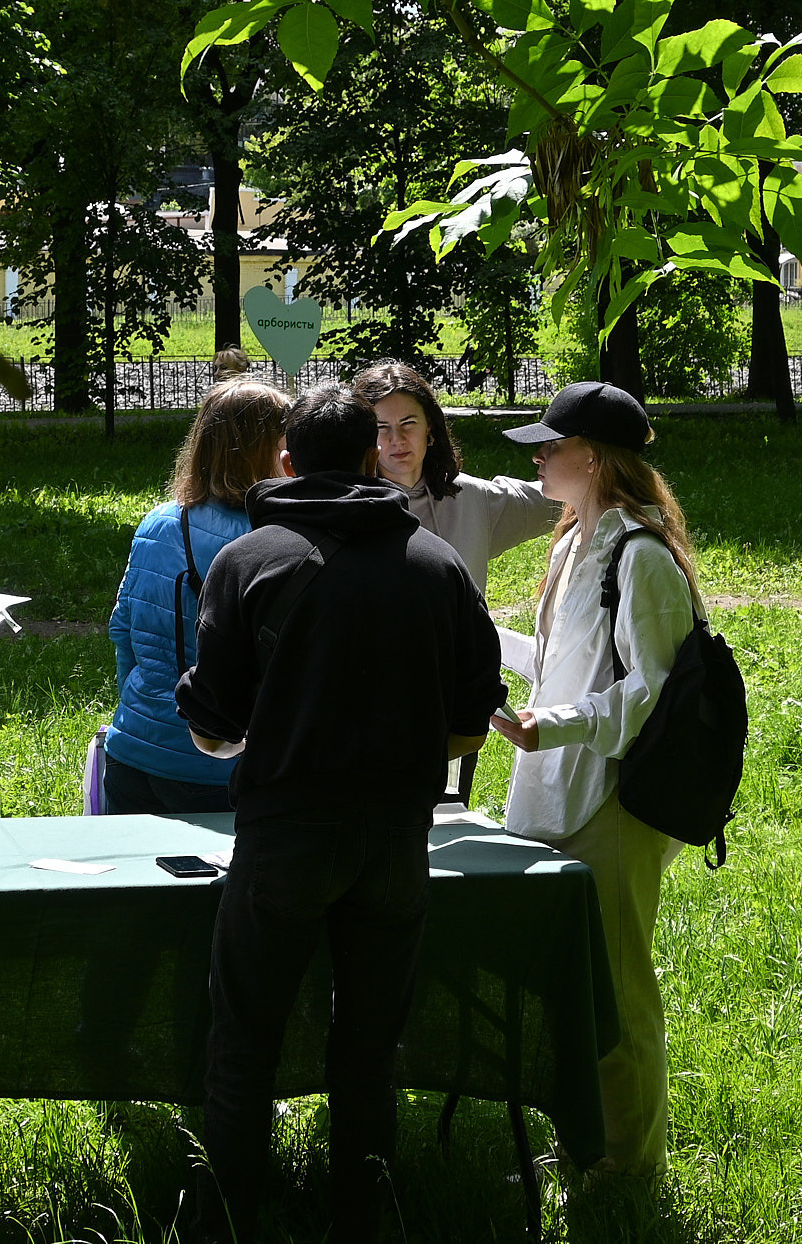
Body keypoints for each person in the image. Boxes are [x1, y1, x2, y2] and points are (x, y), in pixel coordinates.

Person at [175, 384, 505, 1243]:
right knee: (367, 1053)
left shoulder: (249, 560)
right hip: (399, 838)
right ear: (373, 460)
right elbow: (475, 720)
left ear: (287, 460)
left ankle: (234, 1223)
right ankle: (365, 1215)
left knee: (242, 1047)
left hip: (285, 839)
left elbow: (212, 731)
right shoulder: (437, 563)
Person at [487, 381, 698, 1184]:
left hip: (614, 799)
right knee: (569, 990)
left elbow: (651, 691)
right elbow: (568, 666)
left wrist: (558, 725)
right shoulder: (577, 541)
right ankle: (585, 1142)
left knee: (617, 990)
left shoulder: (642, 556)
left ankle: (631, 1163)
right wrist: (488, 636)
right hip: (559, 788)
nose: (538, 455)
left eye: (551, 443)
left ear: (596, 457)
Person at [99, 376, 292, 814]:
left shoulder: (157, 523)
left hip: (133, 748)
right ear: (268, 450)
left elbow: (122, 632)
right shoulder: (273, 540)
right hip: (220, 765)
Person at [353, 358, 562, 585]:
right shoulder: (350, 511)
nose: (398, 439)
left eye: (409, 423)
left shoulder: (473, 498)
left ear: (429, 426)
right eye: (382, 427)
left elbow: (563, 498)